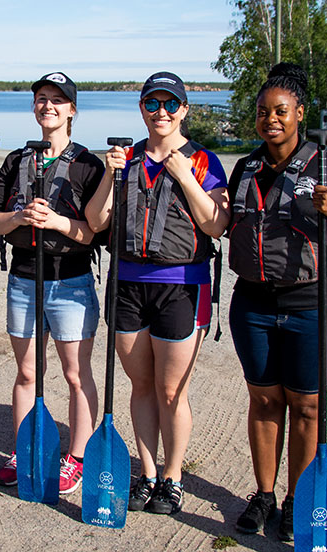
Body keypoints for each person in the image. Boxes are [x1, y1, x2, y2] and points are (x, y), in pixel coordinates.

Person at [227, 62, 327, 541]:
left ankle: (299, 501)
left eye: (282, 111)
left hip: (316, 305)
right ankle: (264, 497)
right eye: (264, 111)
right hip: (253, 304)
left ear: (300, 114)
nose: (272, 119)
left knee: (306, 407)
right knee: (264, 400)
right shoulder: (246, 168)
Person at [85, 71, 230, 515]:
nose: (161, 112)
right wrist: (110, 176)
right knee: (141, 384)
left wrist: (185, 176)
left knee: (172, 391)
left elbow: (216, 224)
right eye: (152, 103)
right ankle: (147, 473)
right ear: (143, 109)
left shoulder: (204, 161)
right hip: (128, 286)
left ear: (184, 109)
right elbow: (95, 222)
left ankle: (173, 477)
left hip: (181, 288)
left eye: (171, 104)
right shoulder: (123, 160)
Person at [0, 72, 103, 494]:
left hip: (70, 282)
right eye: (41, 98)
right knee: (26, 373)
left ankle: (78, 457)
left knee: (75, 374)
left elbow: (94, 233)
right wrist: (18, 218)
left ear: (72, 110)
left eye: (57, 100)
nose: (48, 106)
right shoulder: (17, 160)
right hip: (22, 279)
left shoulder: (90, 165)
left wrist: (56, 222)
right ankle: (25, 449)